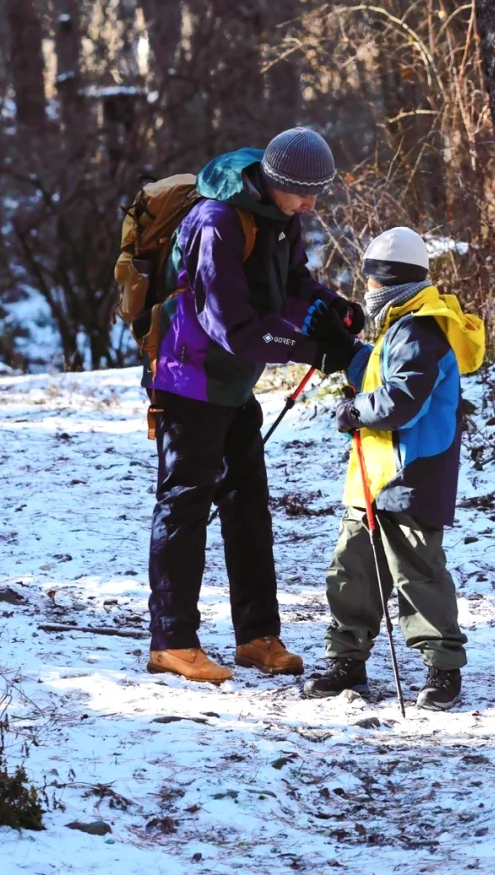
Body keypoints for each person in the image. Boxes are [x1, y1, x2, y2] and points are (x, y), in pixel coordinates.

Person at [146, 128, 363, 685]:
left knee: (248, 508)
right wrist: (312, 350)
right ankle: (172, 641)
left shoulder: (280, 217)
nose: (312, 204)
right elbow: (233, 328)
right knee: (185, 506)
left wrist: (335, 311)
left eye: (317, 193)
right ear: (276, 181)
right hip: (189, 381)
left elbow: (292, 286)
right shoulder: (217, 222)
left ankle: (257, 636)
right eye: (305, 193)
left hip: (234, 387)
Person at [303, 226, 485, 711]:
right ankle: (347, 661)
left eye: (371, 282)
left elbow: (402, 398)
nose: (367, 291)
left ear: (388, 282)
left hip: (410, 477)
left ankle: (443, 667)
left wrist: (353, 411)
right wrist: (345, 350)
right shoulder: (400, 326)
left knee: (418, 574)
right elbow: (380, 372)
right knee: (352, 572)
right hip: (372, 477)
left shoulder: (421, 329)